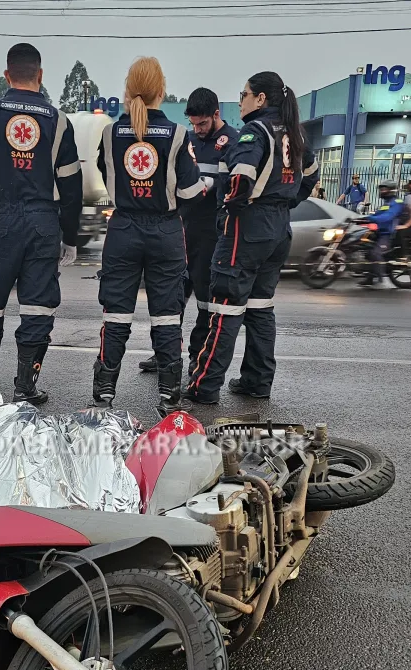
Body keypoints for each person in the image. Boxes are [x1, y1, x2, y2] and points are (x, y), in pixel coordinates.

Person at [0, 42, 82, 404]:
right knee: (38, 308)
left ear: (7, 75)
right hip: (43, 222)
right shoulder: (58, 121)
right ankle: (25, 389)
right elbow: (71, 186)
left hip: (0, 221)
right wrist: (70, 237)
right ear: (40, 76)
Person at [186, 71, 318, 404]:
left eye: (244, 94)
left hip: (248, 227)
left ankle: (205, 385)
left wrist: (229, 210)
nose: (241, 99)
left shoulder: (253, 132)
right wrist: (287, 200)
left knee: (225, 307)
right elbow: (311, 176)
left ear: (260, 98)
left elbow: (240, 178)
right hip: (278, 228)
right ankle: (257, 381)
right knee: (260, 308)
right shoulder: (294, 133)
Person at [93, 57, 209, 413]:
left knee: (115, 313)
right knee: (167, 315)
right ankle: (168, 397)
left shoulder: (111, 132)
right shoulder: (176, 135)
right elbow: (190, 193)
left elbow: (105, 173)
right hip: (165, 230)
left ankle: (103, 394)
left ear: (128, 91)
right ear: (162, 91)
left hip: (123, 227)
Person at [137, 87, 238, 374]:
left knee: (206, 302)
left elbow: (231, 185)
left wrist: (209, 185)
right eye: (193, 124)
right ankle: (165, 353)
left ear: (216, 114)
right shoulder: (188, 139)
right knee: (171, 299)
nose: (197, 129)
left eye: (202, 123)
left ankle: (197, 356)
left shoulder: (231, 142)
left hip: (210, 235)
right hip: (181, 229)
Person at [359, 179, 404, 286]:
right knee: (364, 247)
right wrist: (361, 218)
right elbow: (377, 214)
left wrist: (372, 218)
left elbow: (387, 217)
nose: (382, 191)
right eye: (381, 189)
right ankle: (369, 276)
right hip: (379, 232)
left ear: (391, 190)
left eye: (384, 189)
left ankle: (380, 275)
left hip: (388, 234)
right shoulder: (386, 203)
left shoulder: (397, 203)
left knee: (376, 253)